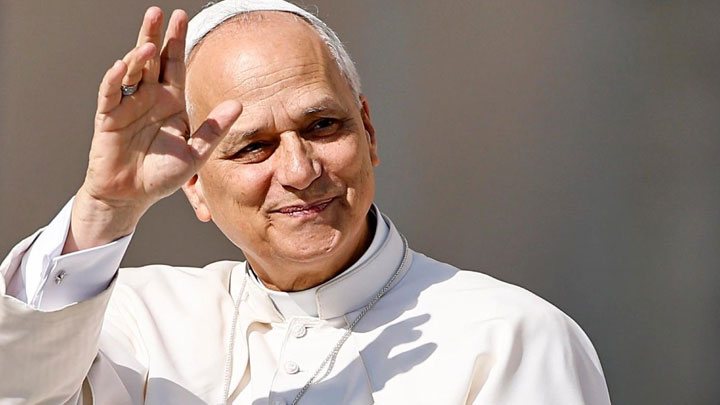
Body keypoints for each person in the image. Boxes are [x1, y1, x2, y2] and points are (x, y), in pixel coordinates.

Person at [0, 1, 611, 404]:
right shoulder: (131, 322)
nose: (299, 170)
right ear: (194, 185)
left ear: (368, 132)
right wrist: (106, 206)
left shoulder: (509, 337)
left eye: (322, 126)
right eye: (253, 147)